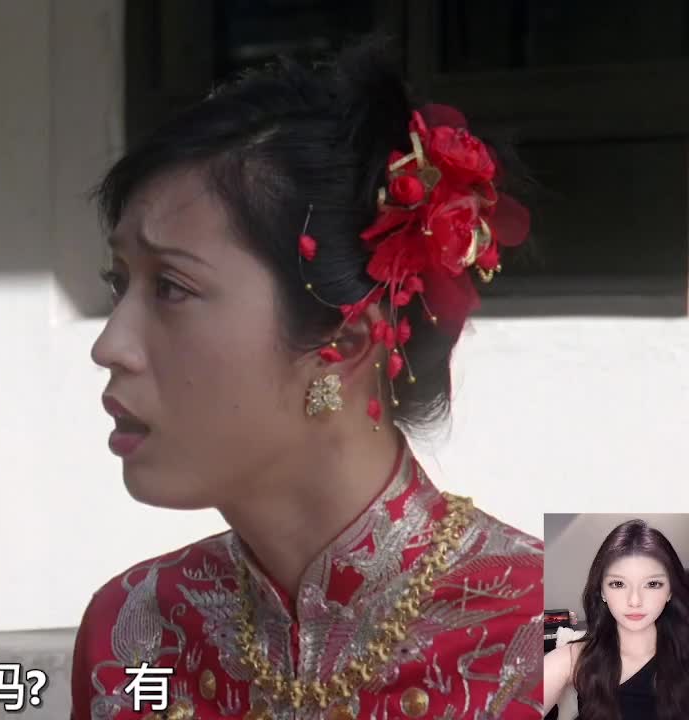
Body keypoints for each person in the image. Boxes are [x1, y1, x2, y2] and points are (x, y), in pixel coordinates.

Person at [70, 40, 543, 720]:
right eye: (120, 284)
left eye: (171, 287)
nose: (110, 346)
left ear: (344, 342)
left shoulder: (565, 646)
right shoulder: (133, 631)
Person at [543, 519, 689, 719]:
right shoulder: (574, 658)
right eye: (618, 584)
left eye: (653, 584)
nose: (635, 601)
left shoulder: (683, 655)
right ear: (602, 591)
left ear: (670, 591)